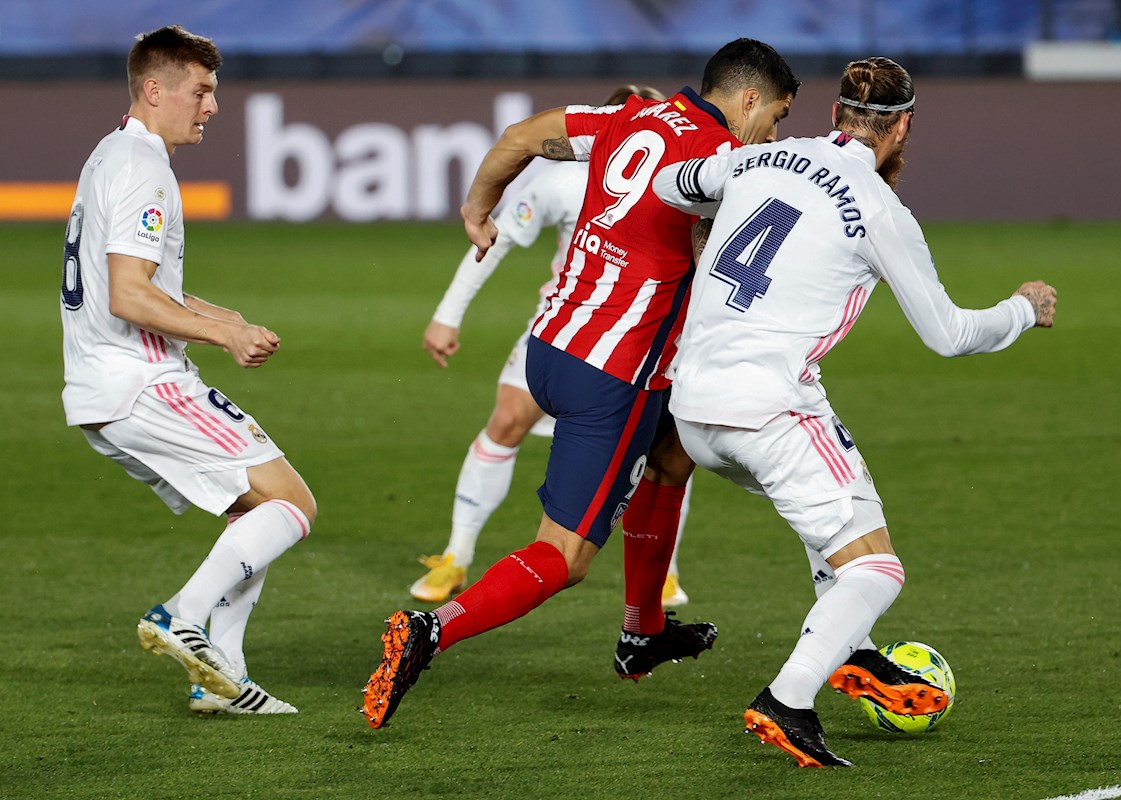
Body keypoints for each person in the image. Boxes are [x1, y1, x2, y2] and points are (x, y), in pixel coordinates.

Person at [361, 39, 799, 729]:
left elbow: (519, 138)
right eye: (775, 115)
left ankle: (644, 631)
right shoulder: (719, 164)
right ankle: (428, 631)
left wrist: (479, 209)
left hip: (550, 347)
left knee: (674, 453)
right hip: (615, 372)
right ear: (750, 98)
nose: (774, 132)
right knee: (562, 557)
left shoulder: (629, 119)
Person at [651, 56, 1057, 766]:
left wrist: (719, 195)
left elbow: (671, 183)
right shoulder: (878, 208)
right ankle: (789, 698)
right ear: (900, 128)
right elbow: (950, 335)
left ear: (834, 114)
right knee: (876, 570)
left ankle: (856, 654)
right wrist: (1024, 309)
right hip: (768, 408)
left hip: (693, 406)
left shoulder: (759, 158)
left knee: (844, 518)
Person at [59, 25, 316, 715]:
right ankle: (181, 616)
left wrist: (225, 320)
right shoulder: (143, 166)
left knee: (250, 510)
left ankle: (219, 678)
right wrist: (221, 338)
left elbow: (146, 283)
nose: (211, 107)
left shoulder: (111, 154)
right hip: (138, 378)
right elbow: (130, 295)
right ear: (154, 90)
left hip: (103, 384)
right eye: (200, 92)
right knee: (291, 503)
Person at [414, 85, 694, 609]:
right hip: (566, 327)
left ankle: (664, 573)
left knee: (666, 450)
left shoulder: (684, 181)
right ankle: (456, 555)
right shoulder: (561, 179)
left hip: (643, 339)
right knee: (505, 421)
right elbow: (494, 237)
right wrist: (447, 315)